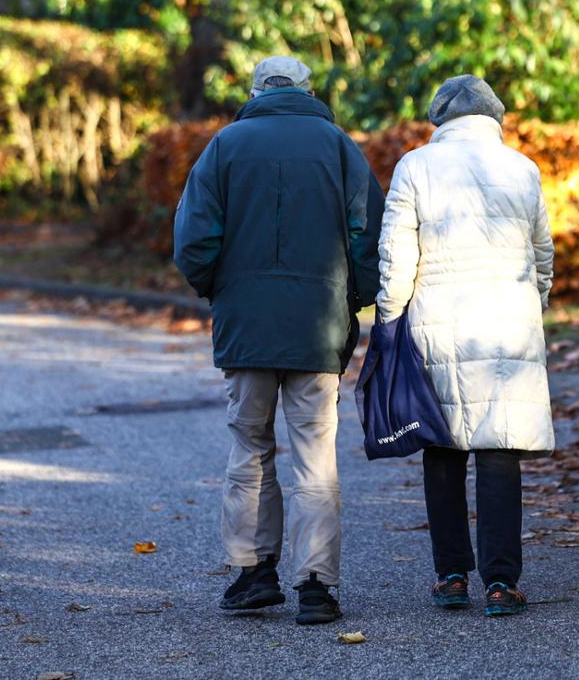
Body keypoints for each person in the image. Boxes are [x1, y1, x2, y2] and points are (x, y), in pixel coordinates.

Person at [173, 56, 384, 625]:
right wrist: (353, 300)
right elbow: (369, 235)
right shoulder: (339, 147)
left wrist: (221, 290)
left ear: (255, 91)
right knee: (315, 457)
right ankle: (316, 585)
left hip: (247, 326)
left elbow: (194, 239)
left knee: (249, 450)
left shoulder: (224, 145)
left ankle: (253, 572)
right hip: (318, 326)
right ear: (308, 90)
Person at [374, 75, 555, 617]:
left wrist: (389, 318)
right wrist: (535, 302)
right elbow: (542, 251)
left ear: (442, 120)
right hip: (509, 322)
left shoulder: (415, 166)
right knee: (500, 451)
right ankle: (502, 584)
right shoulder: (522, 168)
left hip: (438, 322)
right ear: (494, 118)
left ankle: (452, 575)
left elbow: (396, 254)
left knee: (444, 447)